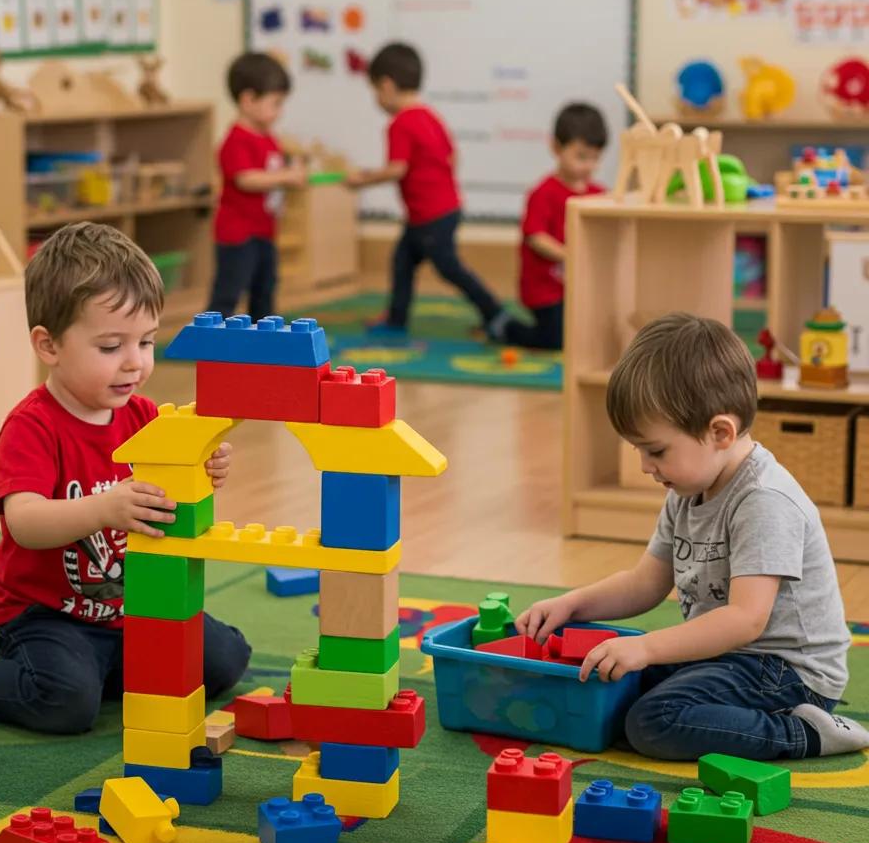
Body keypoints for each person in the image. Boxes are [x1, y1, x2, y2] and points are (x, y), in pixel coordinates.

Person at [0, 222, 251, 733]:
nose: (134, 363)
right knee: (65, 702)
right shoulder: (33, 426)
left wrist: (206, 469)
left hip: (132, 608)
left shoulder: (146, 416)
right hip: (42, 615)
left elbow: (169, 497)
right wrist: (104, 508)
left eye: (146, 342)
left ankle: (104, 671)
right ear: (49, 345)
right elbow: (25, 522)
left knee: (225, 659)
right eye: (109, 347)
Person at [515, 313, 867, 760]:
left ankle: (805, 733)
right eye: (639, 450)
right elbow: (645, 583)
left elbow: (745, 620)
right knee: (617, 677)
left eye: (656, 450)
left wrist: (646, 646)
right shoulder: (689, 489)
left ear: (720, 432)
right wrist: (571, 604)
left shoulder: (764, 500)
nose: (645, 466)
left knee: (652, 721)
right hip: (732, 655)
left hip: (788, 672)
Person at [348, 42, 509, 339]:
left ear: (386, 85)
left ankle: (495, 313)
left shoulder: (400, 123)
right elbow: (452, 156)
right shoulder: (430, 116)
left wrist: (362, 180)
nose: (376, 99)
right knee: (403, 261)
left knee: (449, 268)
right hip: (439, 210)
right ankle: (397, 318)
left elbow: (397, 168)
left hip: (431, 215)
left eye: (375, 91)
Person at [207, 51, 306, 321]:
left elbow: (269, 173)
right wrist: (285, 177)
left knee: (265, 290)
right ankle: (214, 341)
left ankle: (262, 344)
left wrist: (290, 175)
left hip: (264, 230)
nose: (279, 112)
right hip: (238, 234)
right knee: (229, 290)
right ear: (248, 100)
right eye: (275, 103)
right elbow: (246, 179)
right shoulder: (236, 139)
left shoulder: (268, 138)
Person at [504, 103, 607, 350]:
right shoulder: (543, 193)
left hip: (580, 287)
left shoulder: (599, 194)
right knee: (553, 340)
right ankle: (506, 327)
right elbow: (535, 236)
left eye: (595, 158)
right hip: (545, 290)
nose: (588, 165)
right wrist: (570, 255)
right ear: (556, 147)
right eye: (581, 156)